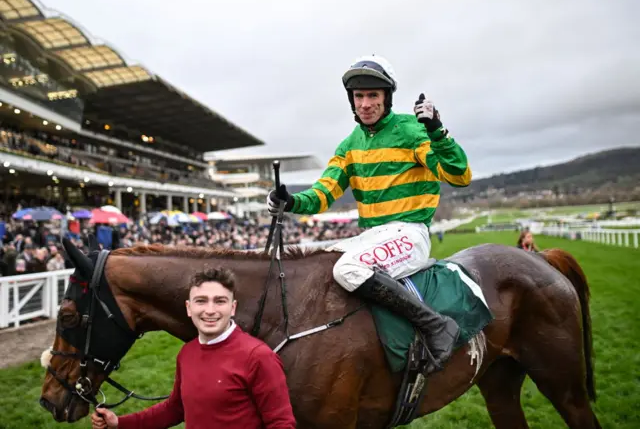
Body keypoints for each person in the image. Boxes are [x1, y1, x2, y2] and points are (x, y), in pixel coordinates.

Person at [267, 55, 472, 373]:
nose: (365, 103)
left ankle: (436, 326)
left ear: (386, 97)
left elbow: (459, 175)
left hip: (409, 232)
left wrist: (436, 130)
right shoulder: (349, 145)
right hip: (372, 235)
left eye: (372, 95)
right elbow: (323, 193)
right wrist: (290, 200)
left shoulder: (412, 130)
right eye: (359, 96)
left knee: (347, 269)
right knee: (314, 260)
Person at [91, 268, 296, 429]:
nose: (210, 310)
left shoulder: (258, 357)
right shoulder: (187, 353)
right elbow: (175, 409)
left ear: (232, 308)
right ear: (189, 308)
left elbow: (281, 424)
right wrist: (120, 424)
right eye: (201, 301)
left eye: (220, 301)